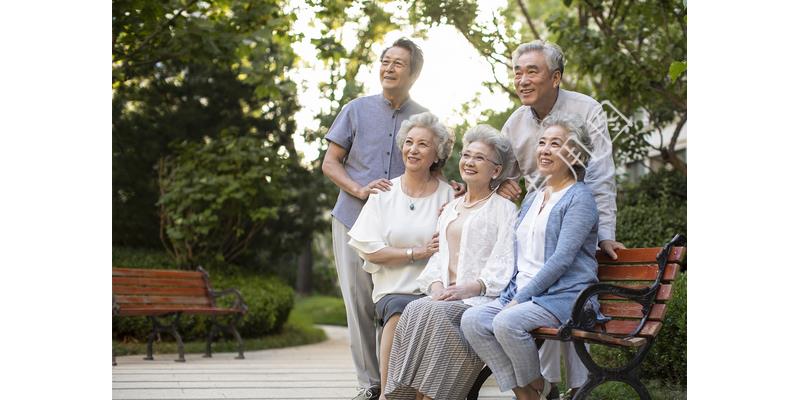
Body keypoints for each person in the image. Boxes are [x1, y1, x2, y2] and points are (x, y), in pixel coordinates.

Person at [497, 40, 623, 397]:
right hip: (539, 221)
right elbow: (502, 176)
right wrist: (501, 186)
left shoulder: (587, 109)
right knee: (537, 296)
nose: (522, 80)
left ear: (555, 77)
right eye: (517, 72)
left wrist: (604, 235)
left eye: (531, 71)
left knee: (562, 286)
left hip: (573, 220)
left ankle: (574, 389)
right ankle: (547, 387)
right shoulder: (514, 124)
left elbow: (600, 177)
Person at [461, 114, 605, 400]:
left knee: (506, 322)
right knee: (472, 320)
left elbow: (562, 259)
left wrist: (521, 297)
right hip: (522, 293)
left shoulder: (580, 198)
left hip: (564, 297)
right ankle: (534, 389)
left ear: (575, 154)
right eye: (542, 142)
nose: (545, 149)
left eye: (556, 144)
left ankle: (535, 389)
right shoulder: (532, 197)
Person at [321, 38, 428, 400]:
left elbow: (435, 170)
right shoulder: (355, 109)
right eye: (385, 61)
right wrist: (358, 188)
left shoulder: (424, 119)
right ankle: (370, 385)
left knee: (395, 303)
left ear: (413, 72)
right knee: (359, 305)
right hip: (352, 219)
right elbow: (330, 163)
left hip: (397, 229)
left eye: (398, 63)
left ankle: (396, 382)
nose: (389, 68)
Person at [383, 125, 518, 400]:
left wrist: (469, 288)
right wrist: (435, 287)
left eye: (479, 158)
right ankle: (402, 395)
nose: (469, 162)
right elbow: (438, 257)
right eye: (467, 155)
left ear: (495, 171)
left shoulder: (504, 210)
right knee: (415, 309)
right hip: (445, 295)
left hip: (479, 299)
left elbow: (504, 262)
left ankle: (432, 396)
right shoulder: (452, 208)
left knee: (432, 313)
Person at [347, 111, 455, 400]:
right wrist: (414, 252)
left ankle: (424, 395)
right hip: (393, 290)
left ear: (437, 155)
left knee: (438, 314)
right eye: (409, 142)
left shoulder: (448, 196)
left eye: (422, 144)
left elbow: (455, 247)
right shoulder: (384, 192)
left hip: (433, 292)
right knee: (399, 309)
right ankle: (388, 392)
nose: (413, 149)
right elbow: (369, 247)